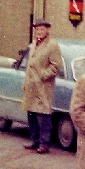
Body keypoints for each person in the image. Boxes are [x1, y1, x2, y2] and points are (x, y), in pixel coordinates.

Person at [21, 17, 62, 154]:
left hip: (43, 87)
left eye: (41, 29)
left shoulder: (52, 45)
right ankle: (35, 141)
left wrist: (43, 75)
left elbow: (56, 67)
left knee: (43, 116)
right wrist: (25, 82)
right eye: (37, 29)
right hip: (31, 85)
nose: (39, 31)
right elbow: (29, 65)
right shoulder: (33, 44)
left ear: (47, 30)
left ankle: (44, 144)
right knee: (31, 114)